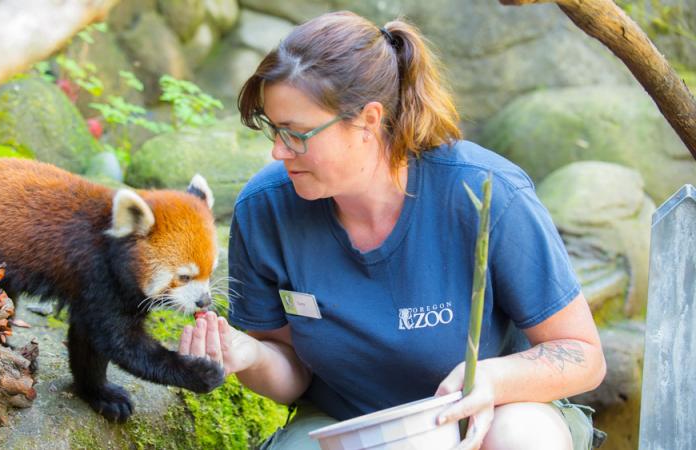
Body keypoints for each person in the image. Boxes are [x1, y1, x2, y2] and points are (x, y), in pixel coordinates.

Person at [178, 10, 606, 450]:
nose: (278, 150)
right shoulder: (264, 209)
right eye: (273, 129)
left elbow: (582, 355)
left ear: (368, 119)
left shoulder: (484, 192)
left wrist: (493, 378)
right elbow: (292, 373)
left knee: (523, 437)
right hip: (349, 426)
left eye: (297, 133)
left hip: (488, 415)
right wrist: (248, 355)